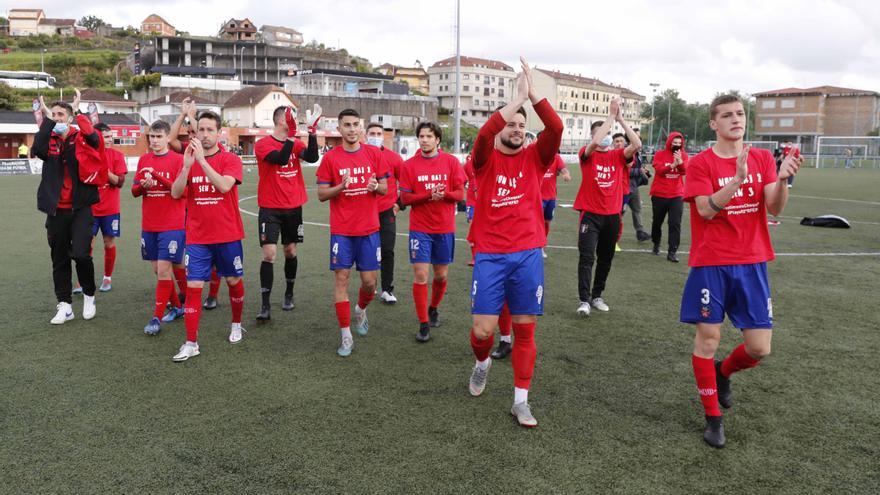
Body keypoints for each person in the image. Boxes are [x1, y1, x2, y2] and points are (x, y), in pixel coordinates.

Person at [681, 94, 802, 448]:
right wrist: (735, 181)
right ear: (713, 124)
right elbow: (704, 210)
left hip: (751, 262)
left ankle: (724, 372)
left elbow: (774, 207)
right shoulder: (701, 164)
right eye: (727, 115)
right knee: (708, 340)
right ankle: (713, 419)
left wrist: (782, 181)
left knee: (759, 349)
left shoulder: (762, 157)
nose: (736, 119)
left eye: (739, 114)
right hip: (711, 263)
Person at [467, 57, 562, 427]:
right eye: (511, 123)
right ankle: (482, 362)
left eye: (523, 125)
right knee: (482, 332)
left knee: (525, 328)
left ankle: (520, 400)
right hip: (490, 255)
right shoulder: (484, 159)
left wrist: (533, 97)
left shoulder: (536, 159)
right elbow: (482, 135)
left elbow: (555, 127)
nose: (518, 128)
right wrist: (512, 102)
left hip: (527, 255)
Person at [170, 111, 246, 362]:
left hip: (227, 234)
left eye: (209, 130)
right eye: (200, 130)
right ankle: (191, 342)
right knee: (194, 288)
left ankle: (236, 323)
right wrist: (186, 167)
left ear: (219, 132)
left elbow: (224, 187)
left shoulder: (230, 159)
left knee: (233, 281)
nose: (204, 135)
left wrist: (202, 162)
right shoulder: (190, 158)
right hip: (198, 237)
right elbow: (176, 192)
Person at [316, 109, 388, 357]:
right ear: (339, 128)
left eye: (355, 124)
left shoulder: (373, 154)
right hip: (342, 231)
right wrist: (341, 186)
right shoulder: (331, 159)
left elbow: (385, 188)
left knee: (370, 283)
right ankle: (346, 335)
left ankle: (360, 309)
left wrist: (375, 186)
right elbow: (322, 194)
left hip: (368, 230)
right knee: (342, 279)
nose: (351, 129)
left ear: (361, 126)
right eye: (346, 125)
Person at [33, 90, 101, 324]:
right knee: (59, 257)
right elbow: (37, 148)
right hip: (56, 209)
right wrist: (49, 119)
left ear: (70, 118)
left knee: (82, 254)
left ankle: (90, 295)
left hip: (81, 207)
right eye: (54, 114)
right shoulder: (49, 139)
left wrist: (78, 109)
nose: (58, 117)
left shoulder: (79, 137)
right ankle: (65, 305)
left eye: (62, 114)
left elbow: (94, 138)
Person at [574, 99, 642, 317]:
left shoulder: (618, 155)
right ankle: (584, 300)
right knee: (587, 258)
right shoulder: (587, 154)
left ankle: (597, 296)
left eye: (606, 132)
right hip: (590, 216)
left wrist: (620, 119)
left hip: (612, 216)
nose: (604, 136)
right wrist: (609, 118)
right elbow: (594, 143)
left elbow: (637, 145)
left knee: (605, 258)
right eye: (600, 132)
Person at [253, 104, 321, 321]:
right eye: (292, 116)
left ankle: (289, 293)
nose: (296, 119)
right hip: (270, 207)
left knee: (290, 251)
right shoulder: (262, 144)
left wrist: (312, 133)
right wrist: (292, 136)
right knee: (269, 254)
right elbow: (281, 159)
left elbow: (311, 157)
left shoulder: (295, 142)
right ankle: (265, 305)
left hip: (293, 207)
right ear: (282, 120)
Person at [399, 121, 465, 342]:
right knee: (421, 275)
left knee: (441, 275)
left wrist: (443, 194)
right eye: (422, 136)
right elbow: (405, 199)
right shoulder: (409, 166)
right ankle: (424, 323)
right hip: (420, 229)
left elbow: (459, 195)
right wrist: (428, 195)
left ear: (437, 140)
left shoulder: (451, 162)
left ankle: (433, 308)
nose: (425, 140)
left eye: (429, 136)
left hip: (444, 228)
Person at [132, 120, 187, 334]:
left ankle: (156, 318)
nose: (154, 141)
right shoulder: (144, 159)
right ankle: (179, 307)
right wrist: (143, 188)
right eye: (151, 137)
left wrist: (155, 177)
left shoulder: (179, 160)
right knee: (158, 270)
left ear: (167, 138)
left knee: (165, 269)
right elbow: (134, 191)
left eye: (158, 137)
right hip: (150, 224)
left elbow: (180, 192)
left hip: (172, 224)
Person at [365, 122, 405, 305]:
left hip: (387, 210)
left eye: (378, 133)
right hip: (364, 212)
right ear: (365, 135)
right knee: (369, 251)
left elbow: (406, 184)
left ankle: (387, 289)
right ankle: (370, 285)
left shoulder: (394, 158)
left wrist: (398, 205)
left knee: (387, 250)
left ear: (383, 136)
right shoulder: (360, 155)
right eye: (372, 132)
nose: (375, 135)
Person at [88, 123, 128, 291]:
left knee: (108, 242)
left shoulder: (117, 156)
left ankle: (107, 278)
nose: (110, 140)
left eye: (111, 136)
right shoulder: (87, 155)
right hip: (89, 209)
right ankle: (84, 280)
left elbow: (119, 183)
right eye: (106, 137)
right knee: (86, 245)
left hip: (110, 209)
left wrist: (104, 168)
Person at [650, 131, 688, 263]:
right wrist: (672, 165)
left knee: (675, 223)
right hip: (659, 194)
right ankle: (656, 242)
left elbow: (684, 171)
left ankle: (672, 251)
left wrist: (680, 162)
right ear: (669, 142)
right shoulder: (660, 154)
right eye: (674, 143)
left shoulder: (684, 155)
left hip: (676, 195)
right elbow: (659, 171)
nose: (677, 145)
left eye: (679, 143)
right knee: (657, 222)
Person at [539, 151, 571, 258]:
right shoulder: (535, 155)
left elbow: (563, 169)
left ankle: (541, 246)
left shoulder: (556, 157)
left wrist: (566, 174)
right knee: (536, 223)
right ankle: (536, 246)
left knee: (547, 222)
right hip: (536, 197)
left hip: (551, 197)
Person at [622, 136, 651, 243]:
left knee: (637, 209)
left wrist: (644, 173)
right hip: (624, 187)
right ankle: (612, 233)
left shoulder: (636, 153)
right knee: (620, 212)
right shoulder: (626, 153)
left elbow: (635, 169)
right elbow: (624, 171)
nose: (640, 144)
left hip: (633, 187)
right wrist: (639, 171)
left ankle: (640, 232)